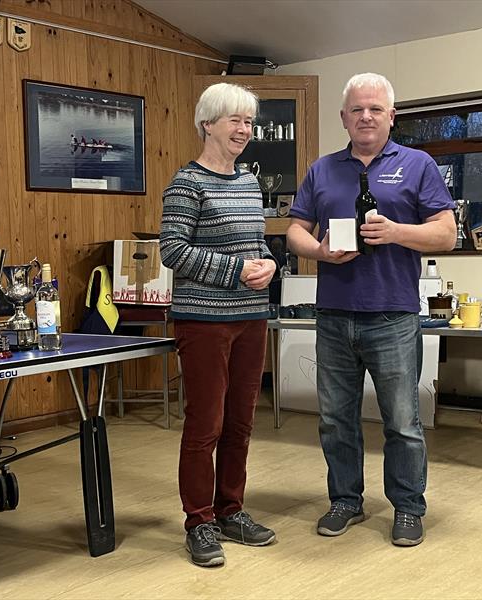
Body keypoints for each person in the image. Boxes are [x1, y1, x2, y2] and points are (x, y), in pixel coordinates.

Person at [286, 73, 456, 547]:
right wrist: (318, 252)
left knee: (402, 421)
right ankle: (345, 500)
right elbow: (295, 230)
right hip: (334, 315)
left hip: (393, 316)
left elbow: (446, 233)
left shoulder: (419, 164)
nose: (366, 116)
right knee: (336, 418)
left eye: (375, 109)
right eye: (357, 109)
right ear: (344, 117)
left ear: (391, 116)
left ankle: (407, 507)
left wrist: (397, 232)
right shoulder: (322, 169)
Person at [159, 82, 278, 567]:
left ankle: (232, 511)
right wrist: (235, 272)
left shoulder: (249, 181)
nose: (244, 130)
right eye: (235, 120)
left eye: (249, 122)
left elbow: (256, 245)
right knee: (205, 424)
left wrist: (272, 264)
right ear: (207, 123)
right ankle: (199, 521)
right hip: (204, 322)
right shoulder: (186, 183)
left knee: (241, 423)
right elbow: (172, 250)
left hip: (251, 319)